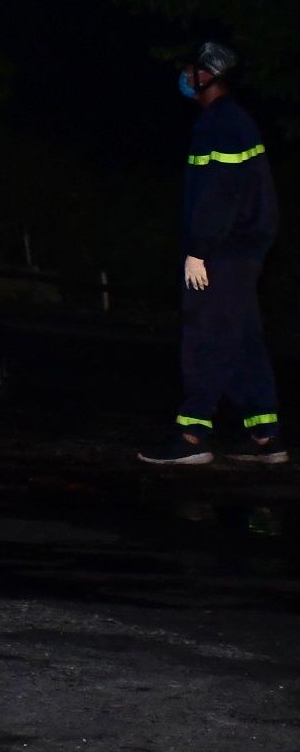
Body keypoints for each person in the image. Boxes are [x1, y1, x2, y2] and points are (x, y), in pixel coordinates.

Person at [141, 42, 283, 467]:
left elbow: (217, 194)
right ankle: (265, 438)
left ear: (206, 75)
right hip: (242, 252)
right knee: (243, 341)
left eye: (190, 71)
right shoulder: (235, 121)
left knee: (208, 337)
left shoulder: (219, 124)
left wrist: (200, 251)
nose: (185, 78)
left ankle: (192, 435)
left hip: (222, 252)